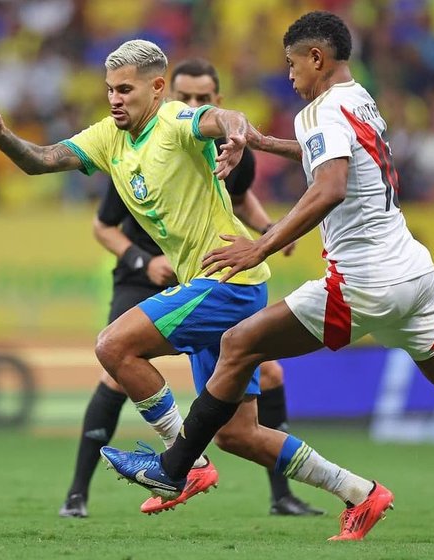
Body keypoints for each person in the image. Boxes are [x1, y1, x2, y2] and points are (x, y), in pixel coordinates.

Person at [101, 12, 434, 548]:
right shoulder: (358, 98)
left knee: (237, 343)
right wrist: (272, 143)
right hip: (413, 271)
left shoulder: (319, 109)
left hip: (363, 281)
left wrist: (261, 245)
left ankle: (175, 466)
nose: (288, 74)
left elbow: (331, 187)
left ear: (316, 58)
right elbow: (337, 156)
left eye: (292, 63)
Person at [0, 39, 378, 535]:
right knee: (239, 434)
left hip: (228, 280)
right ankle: (361, 492)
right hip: (217, 286)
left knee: (114, 346)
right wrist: (1, 136)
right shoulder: (107, 137)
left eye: (126, 89)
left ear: (158, 88)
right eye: (110, 90)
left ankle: (181, 465)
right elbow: (39, 160)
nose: (115, 99)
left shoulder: (176, 122)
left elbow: (223, 119)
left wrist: (235, 134)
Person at [59, 58, 322, 518]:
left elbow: (238, 200)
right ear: (164, 93)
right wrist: (143, 259)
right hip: (143, 274)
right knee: (114, 365)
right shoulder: (121, 145)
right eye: (187, 96)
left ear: (215, 101)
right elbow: (103, 226)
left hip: (209, 274)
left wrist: (268, 232)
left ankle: (274, 492)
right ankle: (78, 494)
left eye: (203, 99)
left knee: (259, 391)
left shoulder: (225, 150)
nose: (193, 105)